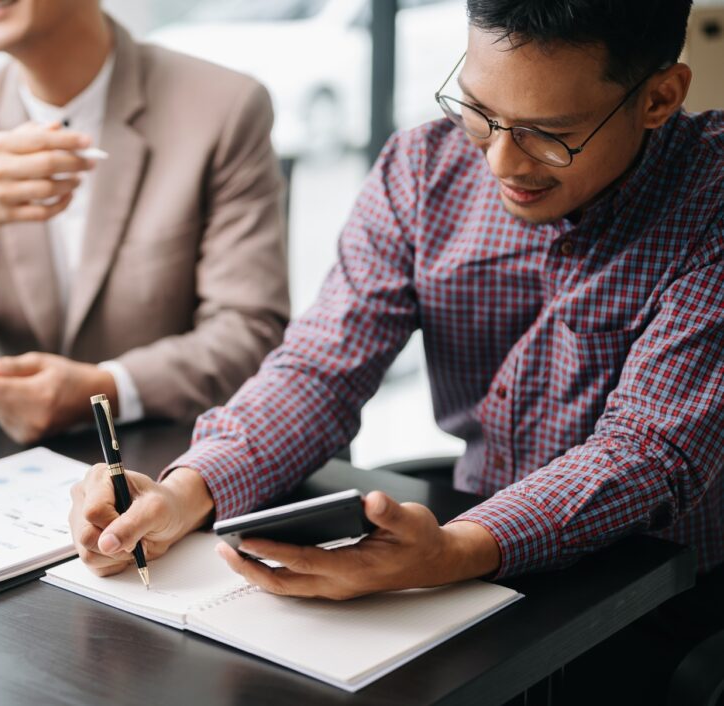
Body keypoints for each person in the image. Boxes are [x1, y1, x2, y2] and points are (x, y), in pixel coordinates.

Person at [70, 0, 722, 700]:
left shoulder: (711, 198)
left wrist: (455, 551)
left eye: (548, 134)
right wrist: (184, 491)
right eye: (478, 110)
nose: (501, 161)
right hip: (463, 559)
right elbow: (320, 370)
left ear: (659, 97)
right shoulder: (422, 169)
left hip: (661, 589)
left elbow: (649, 450)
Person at [0, 0, 289, 444]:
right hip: (11, 466)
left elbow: (250, 335)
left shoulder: (225, 110)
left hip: (177, 463)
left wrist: (104, 390)